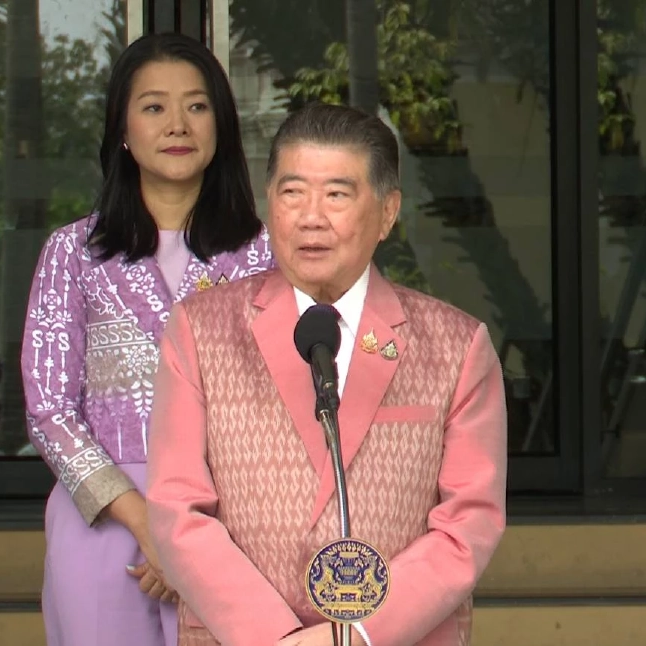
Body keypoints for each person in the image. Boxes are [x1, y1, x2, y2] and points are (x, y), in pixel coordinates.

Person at [146, 103, 508, 646]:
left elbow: (467, 525)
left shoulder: (456, 347)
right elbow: (178, 511)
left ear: (387, 212)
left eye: (337, 195)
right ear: (268, 203)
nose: (311, 217)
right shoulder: (200, 331)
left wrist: (355, 635)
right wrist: (277, 639)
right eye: (292, 193)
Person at [21, 32, 276, 646]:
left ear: (221, 125)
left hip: (237, 522)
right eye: (154, 106)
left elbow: (283, 405)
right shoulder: (72, 253)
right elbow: (49, 410)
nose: (177, 124)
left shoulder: (266, 256)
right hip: (106, 521)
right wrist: (147, 524)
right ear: (123, 129)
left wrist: (192, 528)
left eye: (197, 105)